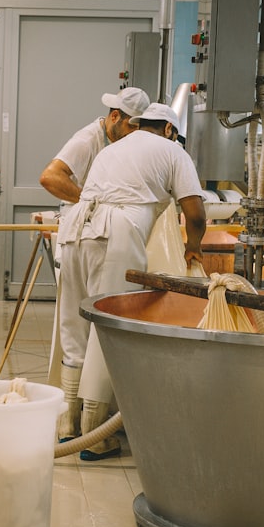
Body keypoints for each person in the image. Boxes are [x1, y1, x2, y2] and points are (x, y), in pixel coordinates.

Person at [57, 103, 206, 460]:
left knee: (74, 327)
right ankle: (95, 435)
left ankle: (68, 425)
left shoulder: (114, 148)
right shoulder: (173, 151)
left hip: (75, 229)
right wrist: (194, 248)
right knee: (108, 327)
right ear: (169, 130)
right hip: (117, 233)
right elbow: (195, 213)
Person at [39, 87, 151, 445]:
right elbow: (50, 177)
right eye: (133, 128)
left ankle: (77, 427)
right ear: (115, 118)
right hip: (85, 238)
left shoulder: (121, 144)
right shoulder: (89, 138)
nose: (136, 138)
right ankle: (83, 429)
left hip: (90, 237)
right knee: (84, 330)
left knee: (79, 332)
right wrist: (91, 200)